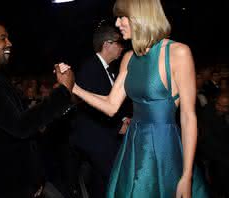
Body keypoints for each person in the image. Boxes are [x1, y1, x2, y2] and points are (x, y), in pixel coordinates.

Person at [61, 0, 210, 197]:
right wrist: (74, 87)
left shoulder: (178, 53)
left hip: (164, 146)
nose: (117, 23)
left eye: (123, 17)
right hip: (133, 145)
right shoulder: (129, 58)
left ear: (143, 16)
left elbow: (189, 117)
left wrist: (186, 175)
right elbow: (111, 105)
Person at [0, 21, 74, 198]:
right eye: (2, 38)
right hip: (3, 184)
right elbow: (21, 126)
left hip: (13, 181)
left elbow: (23, 125)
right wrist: (62, 92)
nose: (9, 43)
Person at [70, 24, 131, 198]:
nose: (122, 47)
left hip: (106, 135)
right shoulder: (91, 68)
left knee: (102, 184)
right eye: (119, 43)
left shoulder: (108, 69)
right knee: (115, 181)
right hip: (96, 139)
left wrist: (124, 118)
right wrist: (118, 125)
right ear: (106, 44)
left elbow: (112, 101)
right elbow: (90, 107)